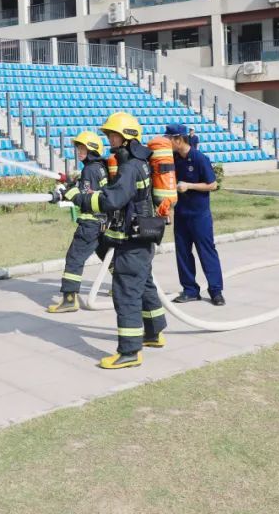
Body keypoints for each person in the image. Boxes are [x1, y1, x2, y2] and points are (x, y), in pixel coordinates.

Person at [68, 112, 167, 370]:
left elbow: (111, 200)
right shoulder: (138, 163)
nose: (109, 141)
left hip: (133, 241)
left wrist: (77, 197)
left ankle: (130, 351)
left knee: (126, 294)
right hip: (142, 237)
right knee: (144, 285)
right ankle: (154, 333)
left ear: (126, 138)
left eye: (112, 136)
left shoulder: (130, 167)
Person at [47, 131, 110, 314]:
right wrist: (68, 181)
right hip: (103, 223)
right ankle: (120, 286)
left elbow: (83, 197)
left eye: (83, 148)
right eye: (78, 148)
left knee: (74, 259)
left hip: (90, 224)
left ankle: (69, 299)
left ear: (92, 150)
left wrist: (64, 193)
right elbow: (88, 187)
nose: (79, 151)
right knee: (108, 257)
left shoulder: (90, 170)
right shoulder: (100, 167)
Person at [165, 123, 225, 306]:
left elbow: (213, 185)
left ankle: (216, 291)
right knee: (183, 253)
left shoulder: (199, 158)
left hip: (199, 215)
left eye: (170, 139)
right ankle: (190, 290)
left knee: (206, 252)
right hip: (182, 214)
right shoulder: (174, 159)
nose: (168, 141)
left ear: (179, 139)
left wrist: (189, 186)